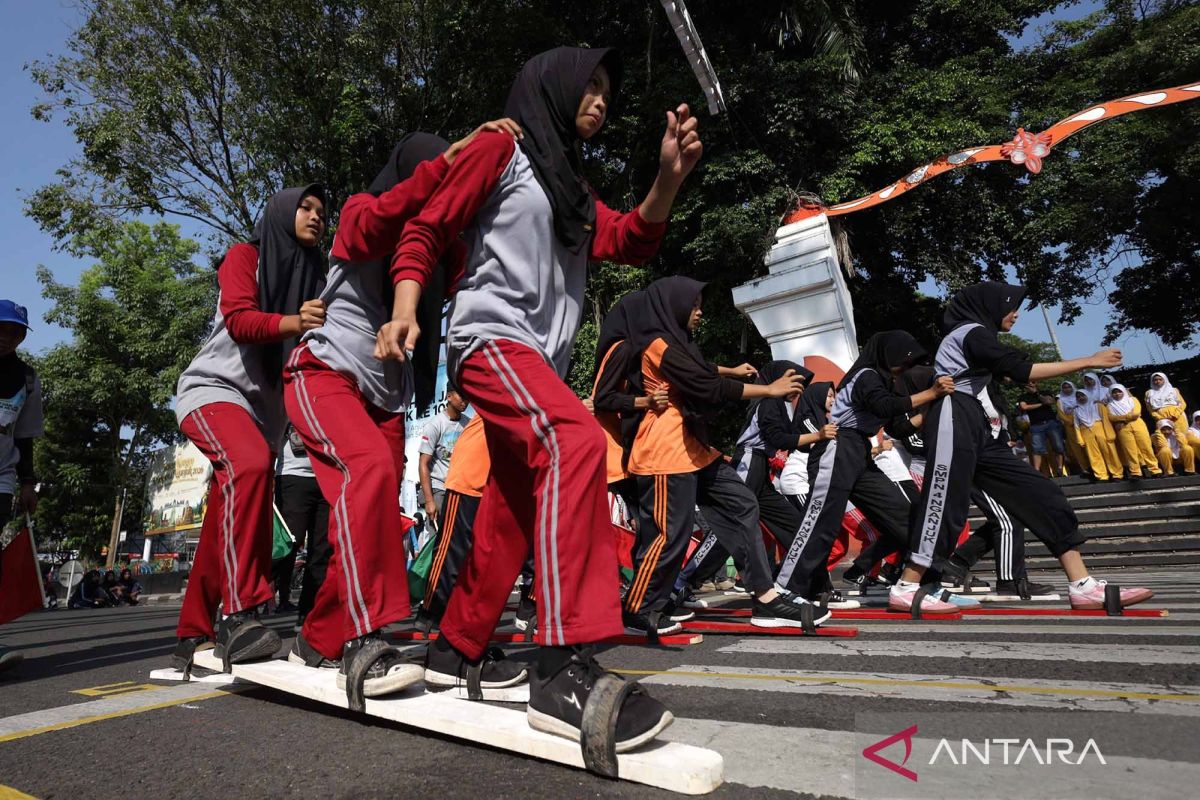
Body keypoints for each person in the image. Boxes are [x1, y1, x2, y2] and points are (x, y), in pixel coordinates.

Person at [384, 45, 700, 748]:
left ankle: (455, 647)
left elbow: (631, 239)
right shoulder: (501, 147)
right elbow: (427, 226)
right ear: (553, 86)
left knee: (512, 511)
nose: (600, 101)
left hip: (537, 365)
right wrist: (406, 305)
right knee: (576, 440)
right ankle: (562, 667)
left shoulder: (572, 189)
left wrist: (668, 178)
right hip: (490, 340)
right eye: (589, 86)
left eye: (607, 94)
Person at [283, 125, 521, 698]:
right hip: (324, 377)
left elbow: (482, 276)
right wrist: (452, 159)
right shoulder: (365, 210)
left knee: (374, 519)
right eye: (436, 172)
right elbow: (382, 218)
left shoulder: (441, 242)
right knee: (368, 473)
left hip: (384, 399)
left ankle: (317, 638)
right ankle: (365, 636)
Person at [893, 281, 1153, 613]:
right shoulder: (969, 332)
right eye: (1010, 306)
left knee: (1041, 492)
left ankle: (1082, 585)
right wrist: (1089, 360)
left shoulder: (978, 336)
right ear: (990, 306)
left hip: (978, 423)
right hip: (952, 415)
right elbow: (1022, 370)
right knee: (946, 502)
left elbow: (1010, 372)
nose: (1015, 313)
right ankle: (907, 586)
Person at [171, 184, 328, 673]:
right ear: (282, 212)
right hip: (213, 392)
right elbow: (240, 320)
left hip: (265, 416)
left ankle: (192, 634)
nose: (316, 216)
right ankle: (240, 615)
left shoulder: (318, 279)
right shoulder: (245, 257)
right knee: (250, 463)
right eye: (305, 207)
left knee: (227, 518)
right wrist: (292, 322)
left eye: (323, 211)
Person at [622, 280, 811, 634]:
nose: (699, 312)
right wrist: (768, 389)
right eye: (693, 305)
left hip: (694, 449)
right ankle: (637, 608)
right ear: (673, 306)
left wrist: (731, 369)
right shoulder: (657, 345)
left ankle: (764, 595)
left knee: (742, 503)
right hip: (664, 452)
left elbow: (702, 369)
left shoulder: (679, 344)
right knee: (669, 536)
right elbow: (705, 385)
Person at [774, 331, 954, 607]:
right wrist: (930, 392)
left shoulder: (885, 382)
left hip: (860, 452)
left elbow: (897, 427)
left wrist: (929, 406)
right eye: (904, 362)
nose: (907, 369)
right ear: (889, 355)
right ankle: (785, 589)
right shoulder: (866, 375)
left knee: (905, 520)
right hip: (838, 446)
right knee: (821, 521)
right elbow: (884, 406)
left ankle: (921, 585)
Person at [0, 299, 42, 671]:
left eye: (15, 332)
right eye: (2, 328)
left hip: (2, 477)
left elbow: (26, 436)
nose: (7, 337)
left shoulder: (27, 379)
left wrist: (28, 483)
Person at [274, 423, 331, 623]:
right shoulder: (285, 395)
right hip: (292, 477)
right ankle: (247, 602)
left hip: (328, 477)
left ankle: (309, 614)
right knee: (288, 543)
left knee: (321, 548)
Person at [419, 388, 469, 521]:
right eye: (461, 396)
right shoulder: (435, 425)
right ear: (449, 396)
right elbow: (423, 463)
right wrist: (429, 501)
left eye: (467, 396)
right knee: (438, 538)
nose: (465, 401)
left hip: (460, 491)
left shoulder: (469, 424)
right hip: (439, 489)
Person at [1107, 383, 1162, 479]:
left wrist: (1122, 420)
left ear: (1123, 391)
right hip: (1123, 430)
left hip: (1137, 425)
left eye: (1119, 391)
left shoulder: (1133, 400)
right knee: (1130, 451)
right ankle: (1136, 472)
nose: (1117, 394)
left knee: (1146, 447)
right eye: (1114, 392)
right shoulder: (1110, 405)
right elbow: (1111, 417)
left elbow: (1136, 413)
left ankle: (1154, 469)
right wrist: (1128, 417)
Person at [1019, 382, 1064, 476]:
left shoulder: (1044, 392)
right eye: (1028, 383)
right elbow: (1024, 407)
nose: (1030, 384)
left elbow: (1049, 401)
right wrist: (1041, 404)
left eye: (1033, 383)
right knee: (1037, 448)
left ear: (1036, 384)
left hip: (1051, 422)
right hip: (1036, 425)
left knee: (1058, 446)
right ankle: (1037, 471)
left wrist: (1037, 394)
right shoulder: (1023, 397)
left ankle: (1060, 468)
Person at [1073, 389, 1116, 482]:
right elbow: (1076, 425)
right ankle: (1101, 475)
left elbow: (1105, 420)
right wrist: (1080, 439)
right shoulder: (1076, 410)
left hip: (1100, 428)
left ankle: (1116, 473)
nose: (1081, 398)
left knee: (1108, 451)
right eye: (1078, 396)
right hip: (1085, 431)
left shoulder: (1098, 405)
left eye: (1082, 395)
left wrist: (1109, 433)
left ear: (1087, 395)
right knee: (1093, 455)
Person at [1056, 381, 1087, 475]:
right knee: (1076, 445)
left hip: (1083, 422)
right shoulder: (1060, 400)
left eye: (1069, 387)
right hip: (1070, 424)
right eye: (1064, 387)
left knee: (1087, 443)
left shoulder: (1079, 395)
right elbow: (1061, 414)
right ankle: (1084, 467)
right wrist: (1069, 422)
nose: (1067, 389)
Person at [1145, 372, 1190, 437]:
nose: (1158, 381)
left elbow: (1182, 403)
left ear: (1164, 380)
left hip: (1177, 415)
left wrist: (1176, 414)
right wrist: (1160, 417)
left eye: (1160, 379)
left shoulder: (1173, 390)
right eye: (1155, 380)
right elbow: (1149, 409)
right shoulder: (1149, 393)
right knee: (1167, 437)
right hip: (1161, 417)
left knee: (1182, 435)